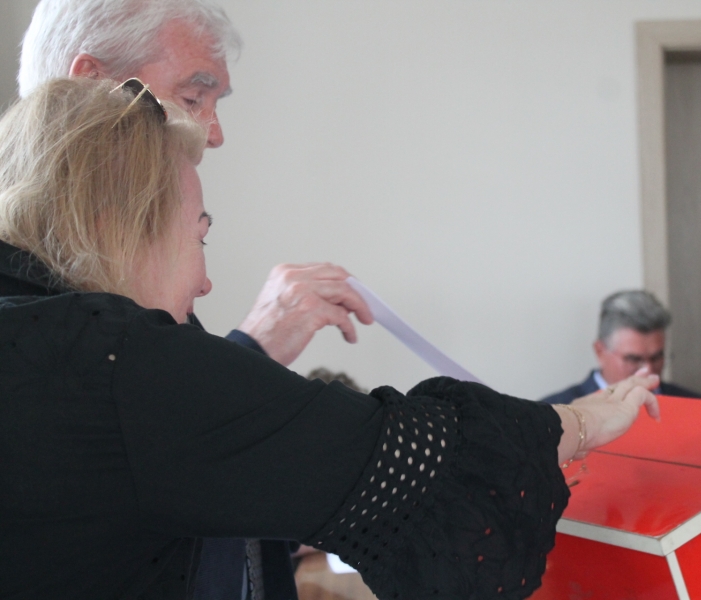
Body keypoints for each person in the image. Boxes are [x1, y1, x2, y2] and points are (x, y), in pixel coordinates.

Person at [0, 77, 661, 600]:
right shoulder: (117, 360)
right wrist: (581, 420)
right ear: (117, 227)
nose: (204, 281)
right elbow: (412, 456)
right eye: (199, 236)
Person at [16, 2, 375, 597]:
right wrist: (248, 353)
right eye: (193, 97)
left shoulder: (123, 292)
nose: (214, 133)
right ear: (92, 84)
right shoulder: (59, 337)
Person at [542, 290, 701, 404]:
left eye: (657, 357)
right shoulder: (556, 413)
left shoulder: (693, 406)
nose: (647, 371)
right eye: (633, 359)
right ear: (600, 352)